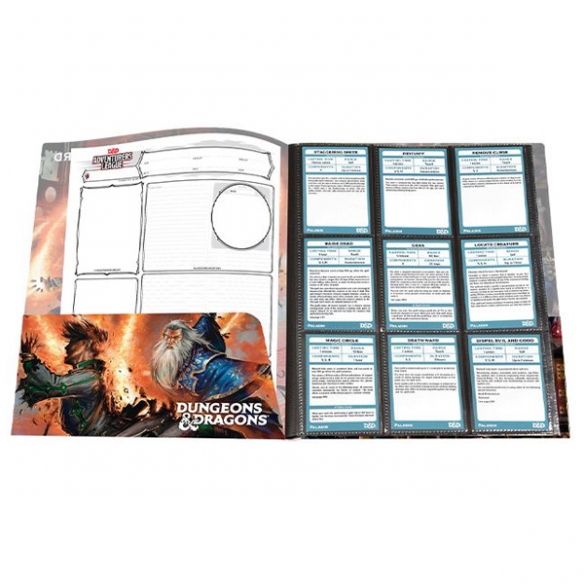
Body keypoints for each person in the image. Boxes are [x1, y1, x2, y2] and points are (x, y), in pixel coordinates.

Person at [18, 318, 169, 436]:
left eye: (71, 342)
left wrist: (29, 359)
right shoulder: (88, 375)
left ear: (85, 345)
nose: (66, 347)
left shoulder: (89, 377)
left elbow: (52, 385)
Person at [151, 314, 283, 437]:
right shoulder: (162, 361)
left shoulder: (196, 340)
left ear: (183, 337)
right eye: (167, 337)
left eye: (175, 338)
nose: (170, 341)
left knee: (243, 413)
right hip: (199, 400)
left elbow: (205, 322)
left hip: (222, 378)